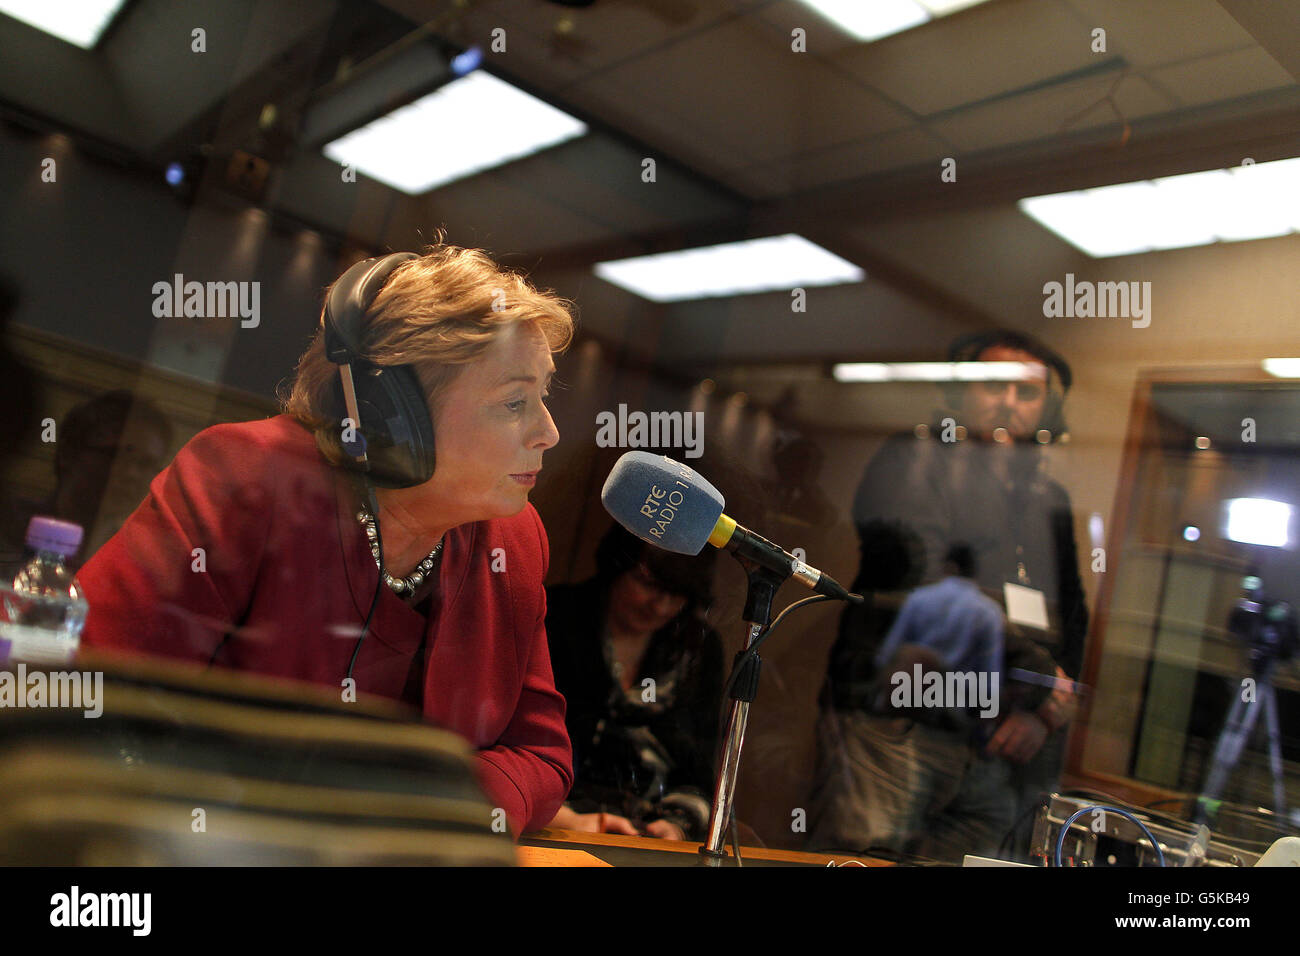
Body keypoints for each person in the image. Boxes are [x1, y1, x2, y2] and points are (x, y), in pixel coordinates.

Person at [76, 243, 576, 835]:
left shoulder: (514, 542)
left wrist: (423, 809)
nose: (549, 432)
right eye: (514, 402)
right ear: (392, 414)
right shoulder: (243, 477)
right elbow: (95, 701)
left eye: (542, 397)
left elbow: (540, 757)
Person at [810, 329, 1086, 860]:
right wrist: (1040, 679)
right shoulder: (915, 456)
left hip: (996, 740)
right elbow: (925, 585)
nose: (1009, 402)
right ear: (960, 392)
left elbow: (1072, 615)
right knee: (860, 861)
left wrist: (1043, 712)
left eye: (1027, 393)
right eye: (993, 385)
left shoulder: (1049, 497)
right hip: (899, 723)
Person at [545, 522, 723, 840]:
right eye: (647, 583)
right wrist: (561, 816)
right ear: (617, 566)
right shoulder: (557, 616)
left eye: (678, 594)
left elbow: (701, 765)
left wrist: (677, 825)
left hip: (649, 828)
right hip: (558, 816)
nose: (660, 605)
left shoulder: (698, 646)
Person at [0, 390, 172, 580]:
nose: (131, 473)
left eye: (146, 464)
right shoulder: (8, 526)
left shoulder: (140, 564)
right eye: (115, 455)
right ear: (69, 453)